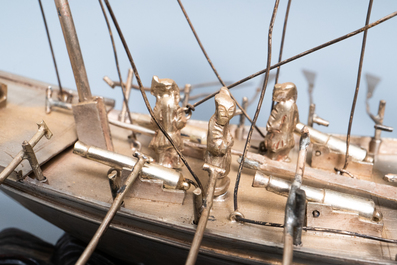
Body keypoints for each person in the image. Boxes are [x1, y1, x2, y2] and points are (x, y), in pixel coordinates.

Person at [149, 76, 188, 168]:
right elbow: (179, 124)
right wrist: (185, 119)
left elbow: (155, 122)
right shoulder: (175, 105)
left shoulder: (160, 103)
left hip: (162, 137)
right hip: (174, 137)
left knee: (161, 162)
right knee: (175, 159)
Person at [205, 87, 236, 196]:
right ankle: (215, 190)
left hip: (223, 156)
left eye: (230, 112)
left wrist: (228, 138)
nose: (226, 115)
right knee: (217, 175)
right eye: (223, 111)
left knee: (223, 173)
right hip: (216, 158)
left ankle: (220, 187)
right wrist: (228, 142)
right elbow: (215, 145)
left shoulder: (223, 122)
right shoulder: (214, 123)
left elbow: (226, 134)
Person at [263, 82, 299, 162]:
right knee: (282, 148)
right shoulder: (294, 106)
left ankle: (275, 158)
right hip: (286, 137)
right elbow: (296, 121)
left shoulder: (282, 106)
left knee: (276, 149)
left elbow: (275, 121)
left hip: (279, 137)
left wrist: (270, 127)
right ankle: (282, 157)